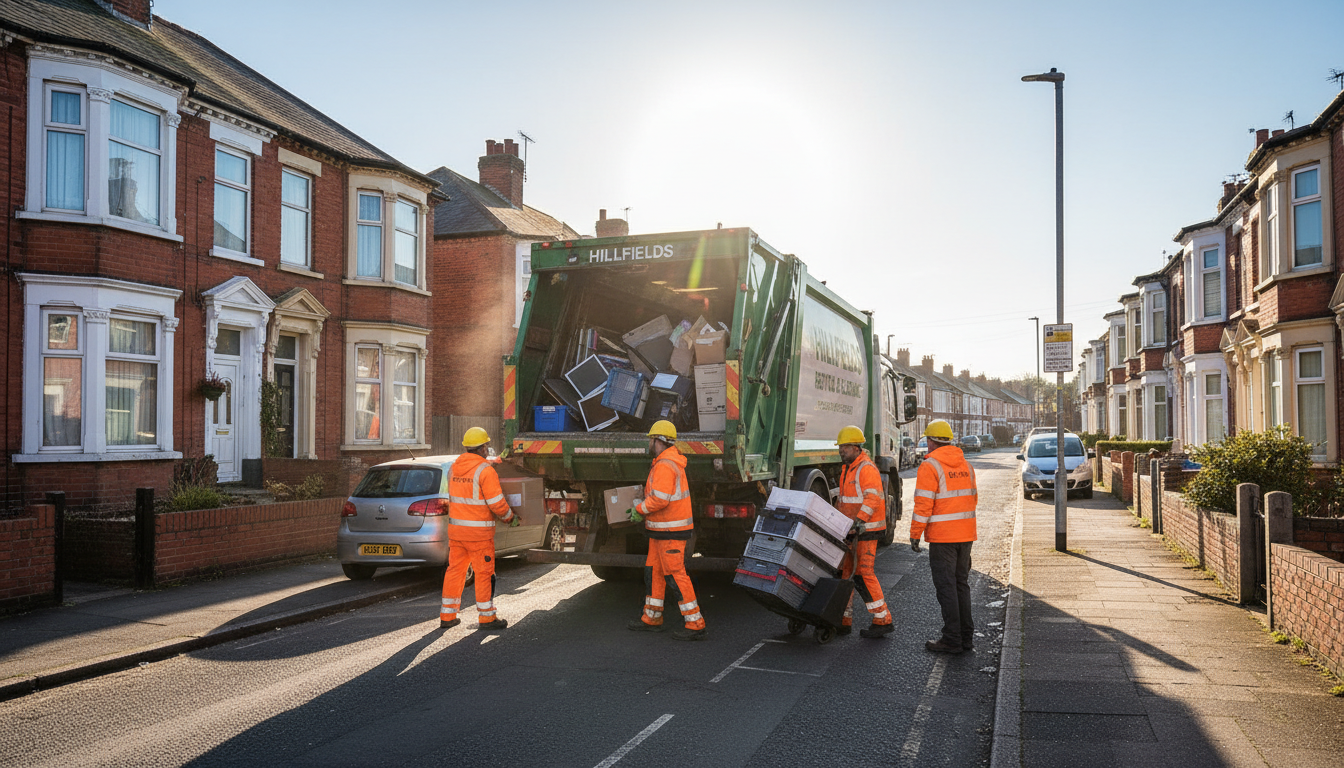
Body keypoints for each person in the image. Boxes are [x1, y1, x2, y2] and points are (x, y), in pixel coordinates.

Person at [626, 420, 707, 641]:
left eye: (651, 440)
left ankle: (695, 623)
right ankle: (652, 617)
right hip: (661, 531)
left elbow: (660, 500)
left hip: (671, 531)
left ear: (658, 440)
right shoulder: (665, 462)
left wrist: (639, 509)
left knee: (675, 575)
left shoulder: (664, 465)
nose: (649, 444)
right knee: (654, 573)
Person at [439, 427, 520, 631]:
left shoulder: (454, 468)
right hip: (479, 536)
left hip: (457, 534)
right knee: (484, 573)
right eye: (487, 446)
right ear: (483, 447)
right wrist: (510, 517)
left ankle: (447, 616)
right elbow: (496, 503)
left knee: (455, 572)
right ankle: (487, 618)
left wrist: (498, 461)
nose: (488, 449)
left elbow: (464, 490)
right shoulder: (485, 471)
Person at [910, 419, 978, 653]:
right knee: (961, 584)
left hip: (943, 538)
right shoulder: (966, 465)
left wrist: (915, 534)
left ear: (930, 441)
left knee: (946, 587)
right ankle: (966, 638)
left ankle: (951, 639)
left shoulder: (930, 466)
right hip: (966, 535)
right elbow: (973, 499)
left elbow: (923, 505)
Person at [834, 425, 895, 638]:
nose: (841, 451)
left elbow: (873, 498)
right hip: (853, 530)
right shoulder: (848, 469)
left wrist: (859, 521)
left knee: (863, 573)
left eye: (845, 447)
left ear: (857, 447)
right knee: (846, 573)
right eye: (840, 447)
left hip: (866, 530)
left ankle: (883, 619)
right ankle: (843, 619)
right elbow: (845, 502)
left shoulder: (866, 469)